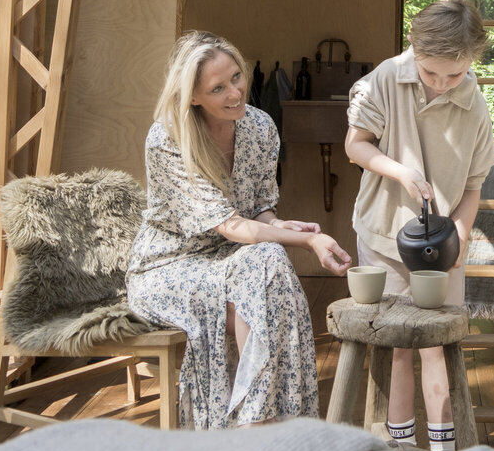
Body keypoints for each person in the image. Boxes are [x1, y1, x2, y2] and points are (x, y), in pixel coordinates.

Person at [128, 31, 351, 429]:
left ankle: (253, 424)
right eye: (218, 88)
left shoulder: (261, 126)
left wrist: (280, 225)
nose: (235, 92)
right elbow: (230, 225)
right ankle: (265, 429)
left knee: (267, 266)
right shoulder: (167, 138)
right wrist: (308, 239)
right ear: (193, 97)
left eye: (236, 77)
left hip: (234, 259)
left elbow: (259, 210)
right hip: (170, 266)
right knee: (265, 291)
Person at [344, 0, 494, 451]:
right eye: (432, 74)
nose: (442, 83)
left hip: (442, 245)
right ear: (414, 48)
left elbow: (472, 187)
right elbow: (356, 145)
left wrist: (463, 234)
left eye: (455, 74)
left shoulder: (474, 104)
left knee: (436, 344)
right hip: (382, 232)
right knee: (396, 344)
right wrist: (400, 171)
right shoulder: (386, 78)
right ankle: (397, 450)